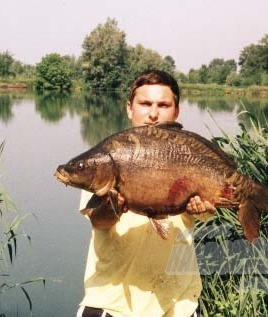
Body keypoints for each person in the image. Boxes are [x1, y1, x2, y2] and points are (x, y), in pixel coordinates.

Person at [77, 70, 215, 317]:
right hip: (113, 303)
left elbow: (206, 212)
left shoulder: (192, 156)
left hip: (178, 303)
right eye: (145, 104)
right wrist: (113, 207)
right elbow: (98, 221)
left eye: (163, 105)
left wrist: (205, 206)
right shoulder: (108, 157)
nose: (153, 114)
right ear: (129, 108)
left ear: (176, 112)